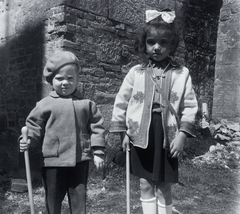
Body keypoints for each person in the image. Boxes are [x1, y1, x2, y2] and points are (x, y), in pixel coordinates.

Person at [109, 9, 198, 214]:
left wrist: (182, 135)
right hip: (141, 135)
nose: (156, 47)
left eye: (163, 43)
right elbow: (121, 101)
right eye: (151, 42)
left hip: (168, 135)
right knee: (145, 182)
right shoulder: (135, 72)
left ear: (172, 45)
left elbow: (190, 106)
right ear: (145, 43)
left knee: (164, 185)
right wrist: (123, 133)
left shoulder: (181, 74)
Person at [19, 51, 106, 214]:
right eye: (60, 79)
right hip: (53, 161)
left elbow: (97, 127)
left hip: (79, 160)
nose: (65, 82)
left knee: (79, 198)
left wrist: (98, 151)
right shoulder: (44, 104)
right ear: (52, 80)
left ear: (77, 79)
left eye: (70, 78)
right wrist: (28, 139)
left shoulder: (86, 104)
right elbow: (33, 125)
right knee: (52, 200)